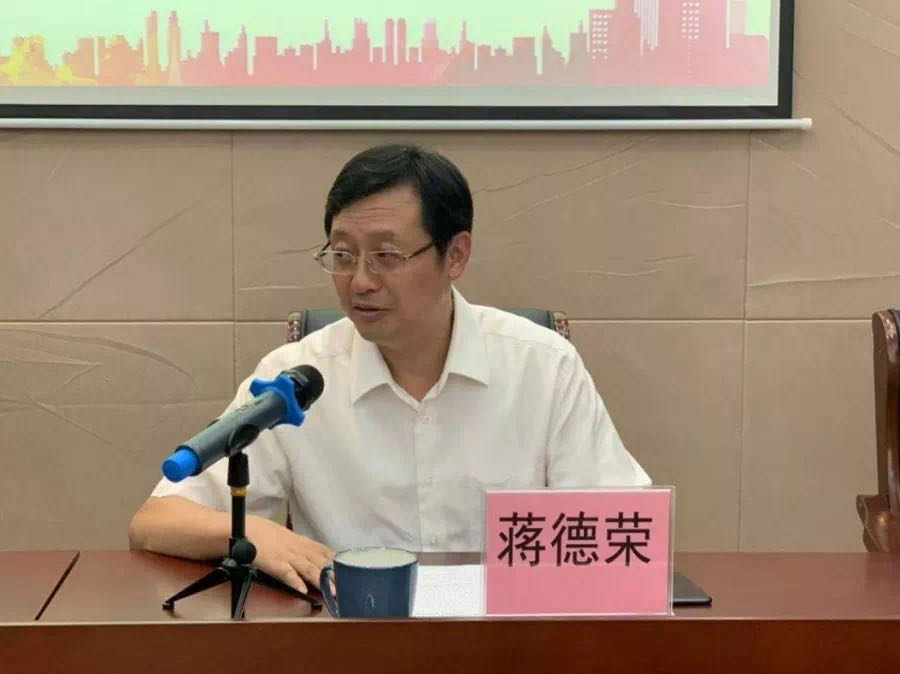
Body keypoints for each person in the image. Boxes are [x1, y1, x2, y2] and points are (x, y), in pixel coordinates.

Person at [129, 143, 650, 594]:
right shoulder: (295, 379)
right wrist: (250, 534)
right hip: (353, 642)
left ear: (455, 255)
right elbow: (156, 520)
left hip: (510, 641)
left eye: (385, 255)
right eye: (342, 255)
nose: (359, 281)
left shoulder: (543, 366)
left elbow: (622, 530)